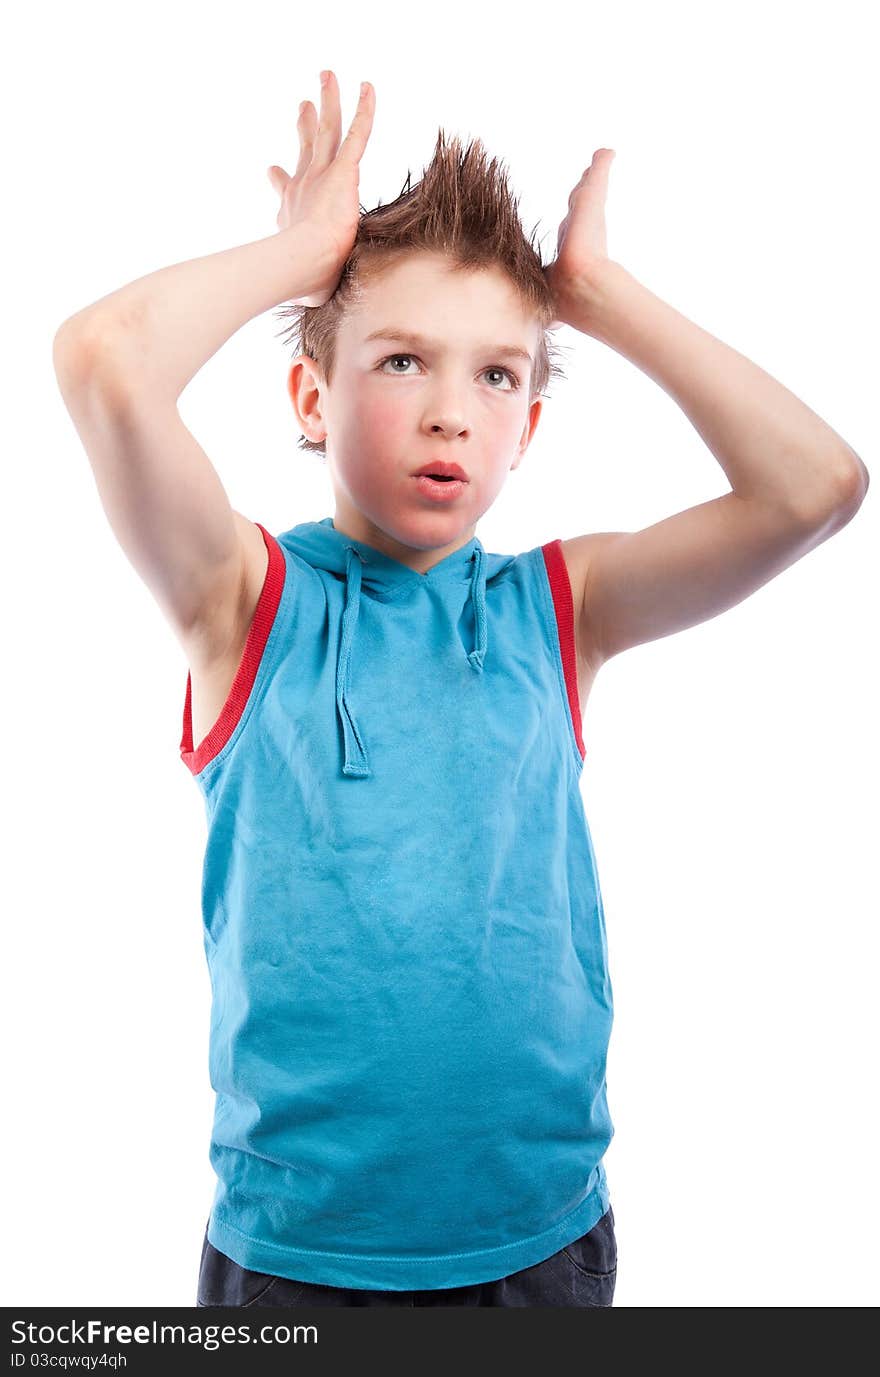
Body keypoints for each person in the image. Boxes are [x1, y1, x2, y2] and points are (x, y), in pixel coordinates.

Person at [52, 70, 868, 1309]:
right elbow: (104, 360)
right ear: (312, 400)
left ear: (529, 425)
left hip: (539, 1241)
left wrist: (602, 300)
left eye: (497, 377)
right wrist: (298, 259)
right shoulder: (245, 600)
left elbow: (815, 488)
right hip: (299, 1259)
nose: (451, 413)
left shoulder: (559, 608)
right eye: (401, 361)